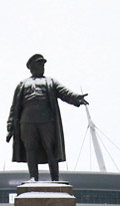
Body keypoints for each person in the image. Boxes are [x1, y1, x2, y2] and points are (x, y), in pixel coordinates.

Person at [6, 53, 89, 182]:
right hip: (27, 121)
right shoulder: (22, 84)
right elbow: (14, 106)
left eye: (43, 64)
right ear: (32, 67)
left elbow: (64, 92)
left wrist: (76, 98)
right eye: (39, 64)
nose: (42, 67)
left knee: (51, 149)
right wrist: (10, 126)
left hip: (47, 120)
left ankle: (55, 179)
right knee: (30, 149)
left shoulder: (50, 81)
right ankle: (33, 177)